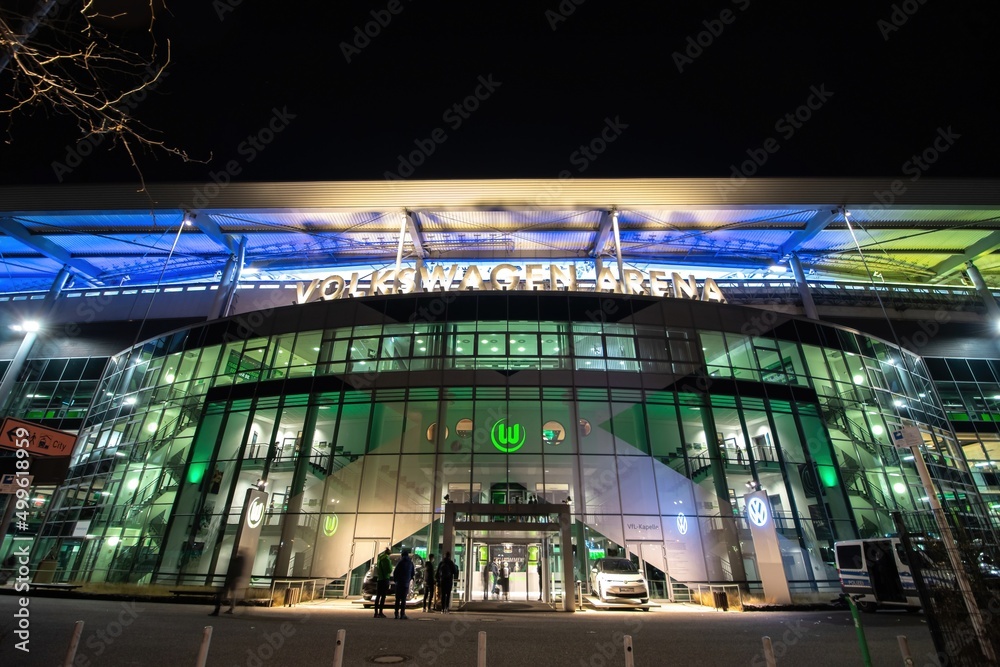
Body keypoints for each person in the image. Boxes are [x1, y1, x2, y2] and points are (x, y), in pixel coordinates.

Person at [211, 548, 248, 616]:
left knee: (225, 593)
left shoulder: (238, 560)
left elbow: (234, 570)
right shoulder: (240, 560)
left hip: (231, 579)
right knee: (232, 593)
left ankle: (221, 609)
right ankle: (230, 608)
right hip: (232, 579)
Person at [392, 549, 415, 619]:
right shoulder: (410, 563)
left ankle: (396, 614)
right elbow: (412, 573)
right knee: (403, 599)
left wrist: (395, 580)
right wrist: (409, 579)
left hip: (399, 583)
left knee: (397, 599)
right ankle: (402, 614)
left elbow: (395, 572)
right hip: (406, 583)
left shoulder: (400, 563)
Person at [373, 547, 391, 618]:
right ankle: (380, 612)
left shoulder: (379, 558)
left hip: (379, 578)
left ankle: (375, 613)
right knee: (383, 597)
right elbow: (389, 570)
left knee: (378, 596)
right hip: (385, 579)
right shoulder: (386, 559)